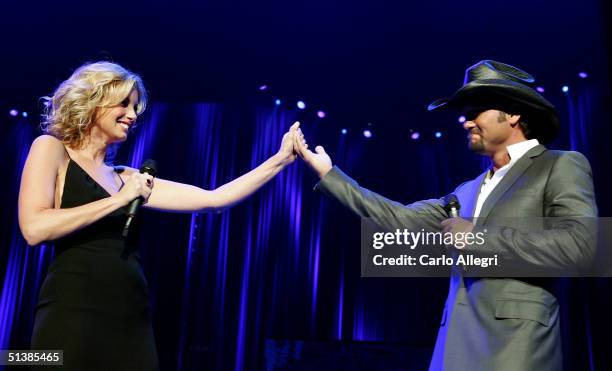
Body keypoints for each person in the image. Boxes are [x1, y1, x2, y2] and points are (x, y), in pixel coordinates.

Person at [294, 60, 597, 370]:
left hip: (517, 352)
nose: (465, 123)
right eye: (464, 115)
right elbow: (398, 217)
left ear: (514, 114)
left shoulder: (559, 165)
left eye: (475, 111)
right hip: (452, 354)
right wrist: (330, 174)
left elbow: (582, 246)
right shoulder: (466, 191)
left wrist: (478, 237)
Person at [18, 61, 300, 370]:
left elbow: (214, 199)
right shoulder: (52, 149)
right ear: (93, 100)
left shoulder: (127, 177)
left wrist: (280, 160)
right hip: (72, 310)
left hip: (131, 317)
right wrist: (119, 200)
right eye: (124, 103)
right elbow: (34, 228)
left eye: (135, 106)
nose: (132, 114)